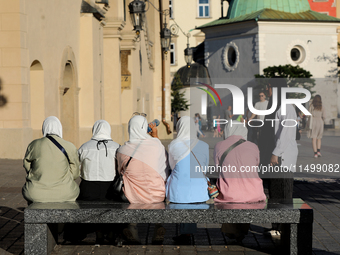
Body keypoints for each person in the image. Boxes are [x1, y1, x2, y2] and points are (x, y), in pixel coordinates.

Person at [117, 113, 170, 244]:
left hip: (133, 197)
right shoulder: (157, 145)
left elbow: (120, 172)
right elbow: (165, 167)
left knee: (130, 191)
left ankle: (132, 228)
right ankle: (159, 227)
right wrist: (155, 137)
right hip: (157, 194)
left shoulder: (122, 150)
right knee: (158, 193)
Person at [214, 121, 266, 242]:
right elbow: (256, 166)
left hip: (229, 193)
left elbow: (218, 169)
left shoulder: (219, 145)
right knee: (245, 195)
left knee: (230, 191)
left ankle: (232, 230)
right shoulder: (253, 146)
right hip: (253, 192)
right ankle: (239, 231)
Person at [166, 116, 210, 244]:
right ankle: (187, 233)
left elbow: (172, 166)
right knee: (191, 198)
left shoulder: (173, 145)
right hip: (200, 190)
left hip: (178, 190)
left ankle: (186, 234)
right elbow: (205, 167)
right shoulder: (204, 145)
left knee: (183, 193)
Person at [77, 120, 121, 244]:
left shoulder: (84, 147)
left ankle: (99, 234)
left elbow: (77, 167)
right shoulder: (117, 147)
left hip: (88, 188)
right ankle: (111, 233)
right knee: (113, 205)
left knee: (93, 206)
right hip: (110, 188)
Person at [22, 116, 80, 204]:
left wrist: (36, 174)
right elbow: (75, 172)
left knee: (28, 190)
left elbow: (27, 165)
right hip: (65, 193)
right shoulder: (69, 146)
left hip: (36, 193)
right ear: (59, 128)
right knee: (75, 189)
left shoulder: (34, 144)